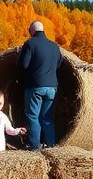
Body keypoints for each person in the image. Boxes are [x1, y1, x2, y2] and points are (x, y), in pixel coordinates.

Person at [19, 20, 62, 149]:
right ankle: (50, 144)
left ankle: (34, 146)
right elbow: (59, 63)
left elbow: (23, 65)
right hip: (52, 87)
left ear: (32, 30)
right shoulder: (54, 46)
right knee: (47, 117)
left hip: (35, 86)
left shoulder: (30, 44)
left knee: (33, 116)